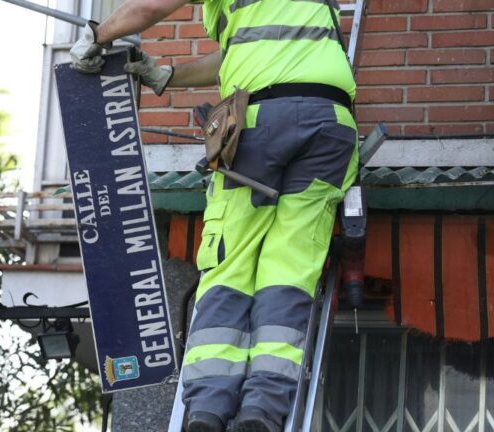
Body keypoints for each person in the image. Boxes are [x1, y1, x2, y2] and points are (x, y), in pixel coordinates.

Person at [70, 1, 358, 431]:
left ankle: (207, 409)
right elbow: (242, 54)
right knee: (290, 270)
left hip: (260, 125)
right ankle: (262, 410)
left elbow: (149, 7)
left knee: (231, 265)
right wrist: (168, 76)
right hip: (331, 126)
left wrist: (96, 36)